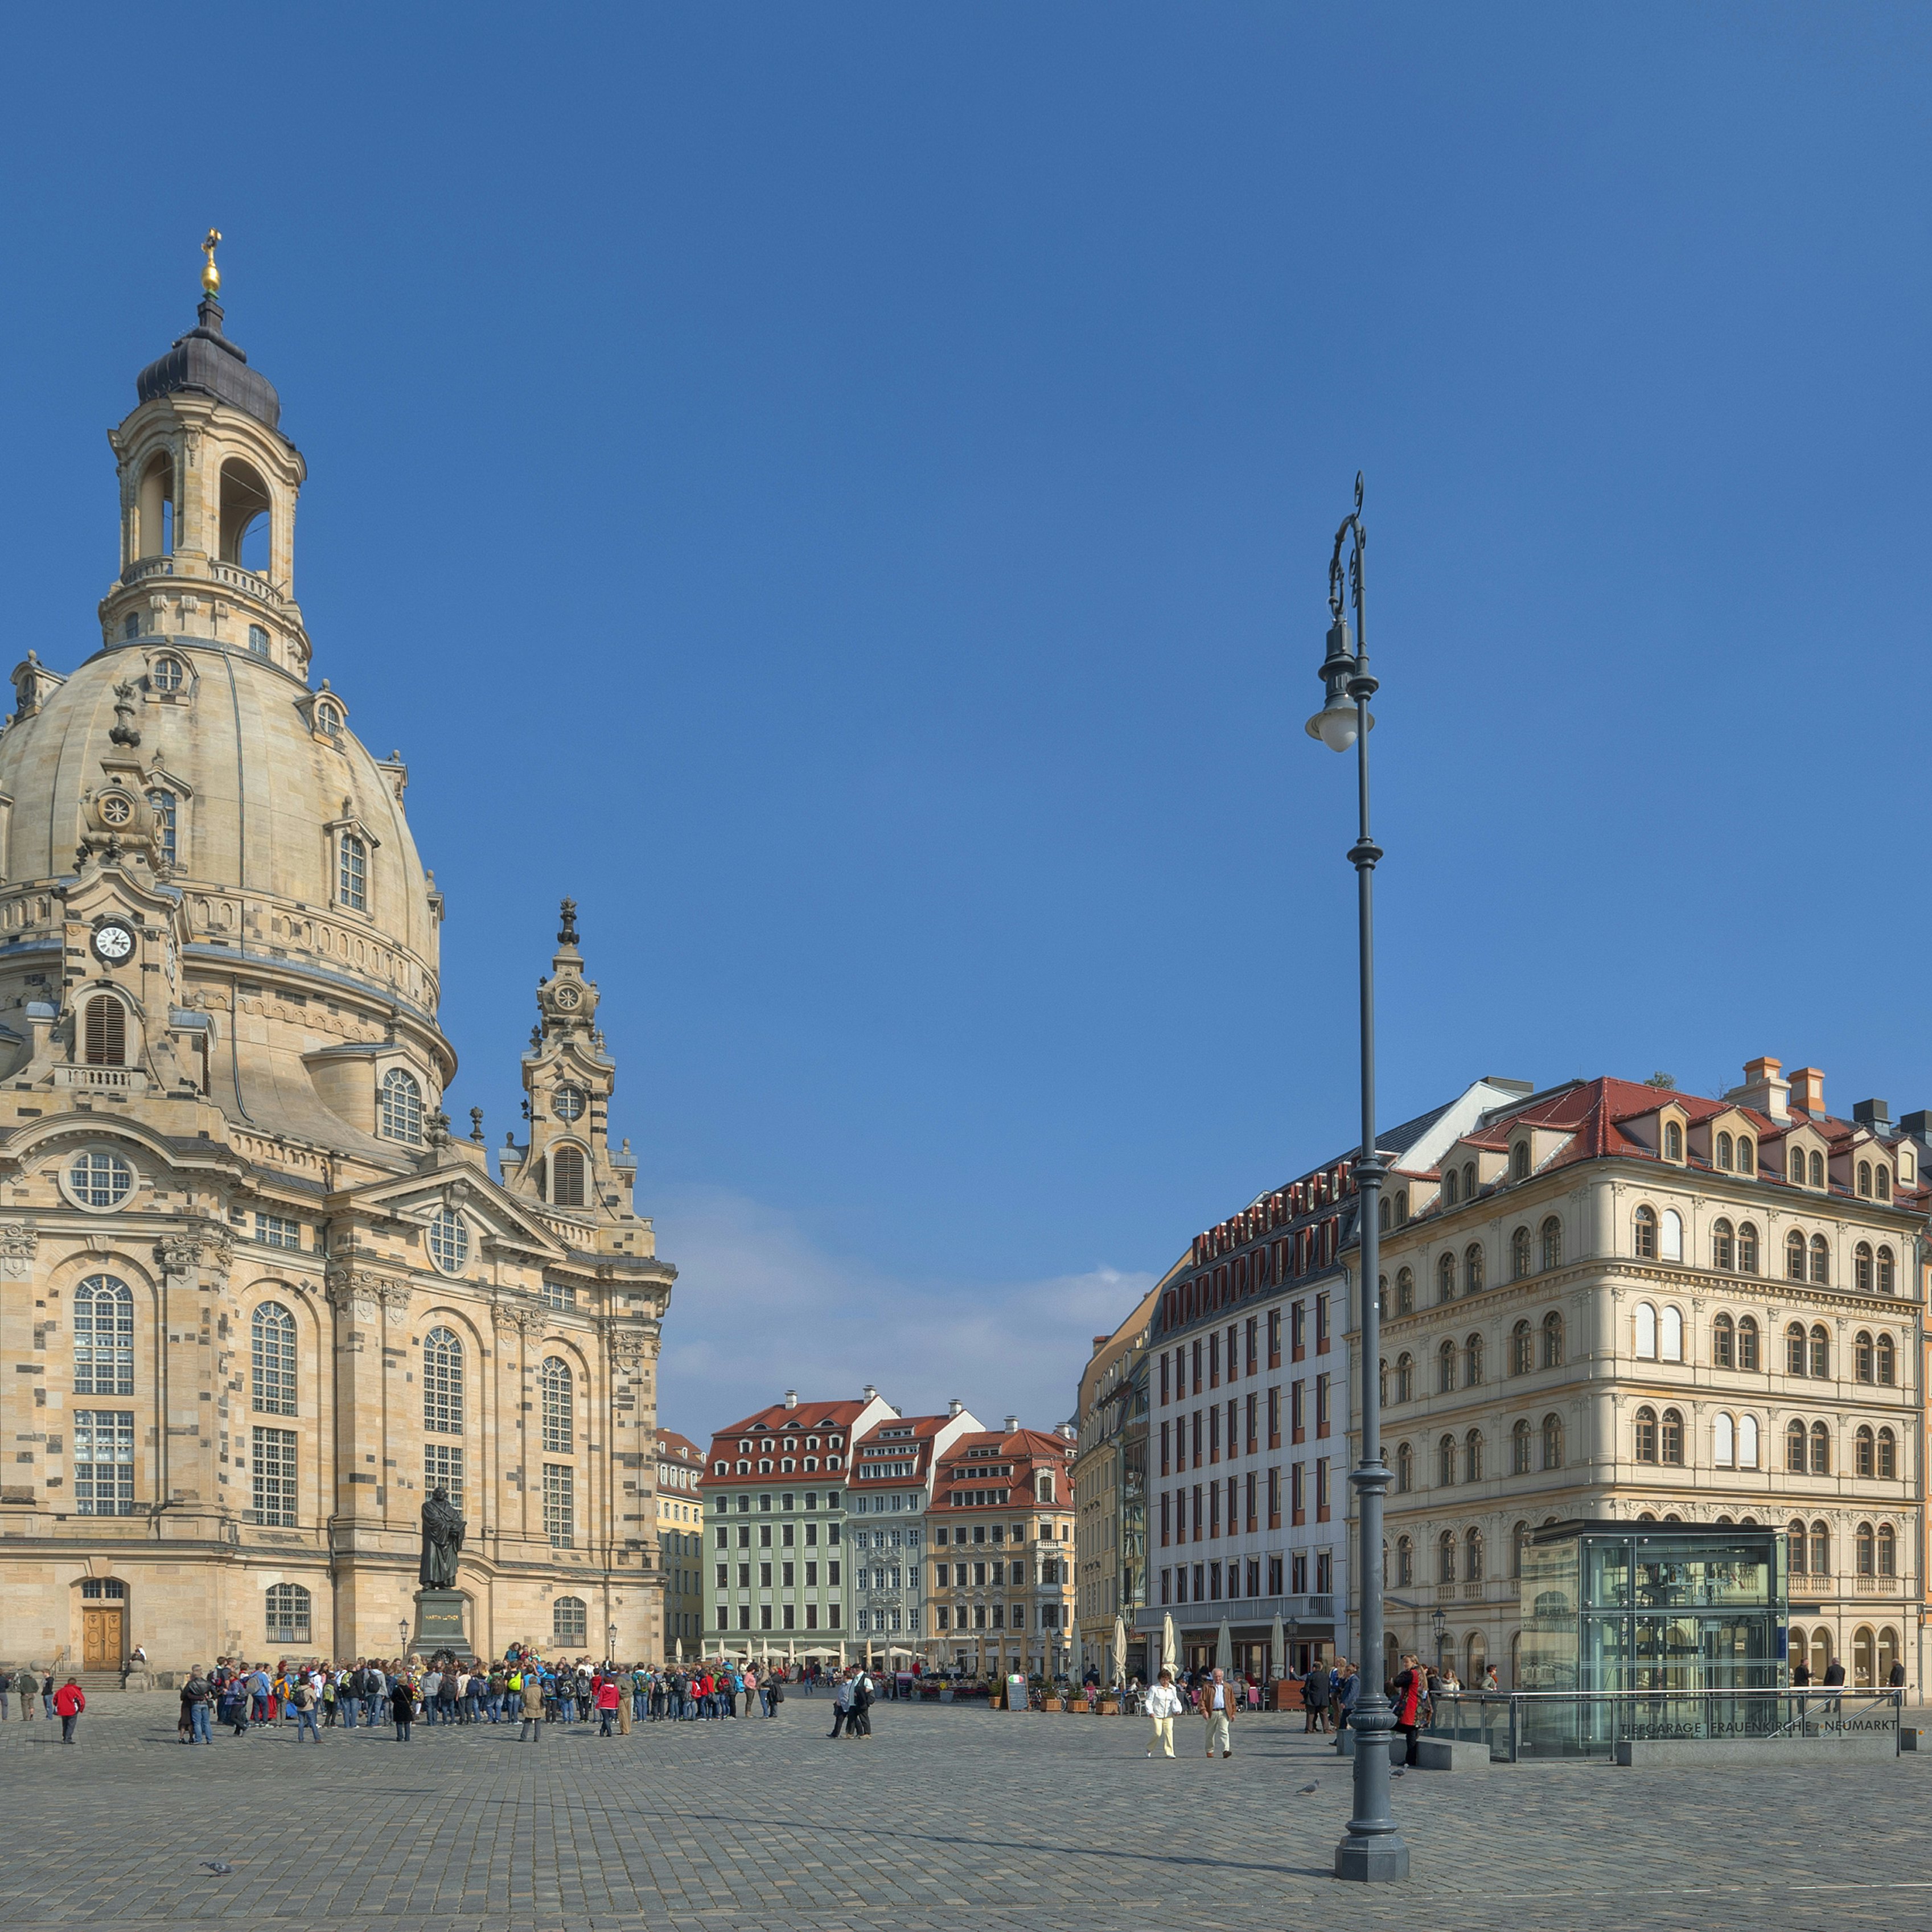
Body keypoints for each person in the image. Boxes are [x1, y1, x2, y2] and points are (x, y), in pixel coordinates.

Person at [1390, 1654, 1424, 1766]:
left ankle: (1410, 1760)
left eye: (1407, 1662)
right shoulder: (1418, 1673)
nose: (1405, 1665)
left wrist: (1402, 1673)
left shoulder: (1411, 1674)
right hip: (1416, 1705)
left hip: (1410, 1705)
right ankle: (1410, 1760)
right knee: (1411, 1734)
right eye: (1404, 1663)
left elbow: (1397, 1682)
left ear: (1413, 1663)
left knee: (1394, 1724)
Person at [1145, 1667, 1182, 1757]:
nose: (1165, 1681)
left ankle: (1170, 1753)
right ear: (1160, 1679)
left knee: (1169, 1732)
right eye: (1163, 1679)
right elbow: (1149, 1701)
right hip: (1157, 1715)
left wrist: (1177, 1710)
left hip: (1169, 1715)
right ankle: (1149, 1748)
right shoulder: (1154, 1689)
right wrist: (1150, 1712)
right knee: (1158, 1733)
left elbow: (1175, 1700)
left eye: (1167, 1679)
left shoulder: (1172, 1689)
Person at [1201, 1666, 1236, 1759]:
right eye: (1216, 1676)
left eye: (1219, 1676)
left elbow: (1232, 1701)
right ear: (1213, 1676)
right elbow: (1202, 1700)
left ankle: (1226, 1750)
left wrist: (1233, 1713)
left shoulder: (1228, 1687)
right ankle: (1210, 1750)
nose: (1218, 1678)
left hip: (1224, 1712)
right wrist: (1204, 1711)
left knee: (1224, 1731)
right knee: (1210, 1733)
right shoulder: (1208, 1686)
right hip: (1212, 1712)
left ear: (1222, 1677)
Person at [54, 1676, 84, 1744]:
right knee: (71, 1724)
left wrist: (58, 1706)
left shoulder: (61, 1690)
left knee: (65, 1724)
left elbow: (55, 1699)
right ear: (75, 1683)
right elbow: (82, 1701)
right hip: (72, 1709)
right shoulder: (75, 1690)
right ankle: (68, 1739)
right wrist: (81, 1709)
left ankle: (65, 1737)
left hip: (62, 1709)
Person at [519, 1668, 545, 1744]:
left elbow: (523, 1699)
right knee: (538, 1723)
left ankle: (523, 1737)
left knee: (527, 1723)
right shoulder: (540, 1689)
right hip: (538, 1707)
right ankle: (537, 1738)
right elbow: (543, 1698)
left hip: (529, 1707)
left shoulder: (527, 1689)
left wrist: (526, 1704)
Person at [292, 1675, 321, 1744]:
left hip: (300, 1708)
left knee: (301, 1723)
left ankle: (301, 1738)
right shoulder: (309, 1689)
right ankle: (317, 1738)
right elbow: (315, 1699)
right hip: (309, 1708)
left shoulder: (298, 1689)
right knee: (313, 1723)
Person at [390, 1674, 416, 1742]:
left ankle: (400, 1736)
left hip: (398, 1707)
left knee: (399, 1723)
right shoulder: (409, 1690)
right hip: (407, 1707)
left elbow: (393, 1698)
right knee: (407, 1722)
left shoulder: (396, 1689)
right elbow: (411, 1699)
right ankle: (407, 1737)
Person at [596, 1673, 621, 1737]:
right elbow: (617, 1697)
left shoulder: (602, 1688)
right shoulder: (615, 1688)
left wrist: (598, 1705)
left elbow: (600, 1697)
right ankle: (604, 1731)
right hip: (612, 1706)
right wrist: (617, 1705)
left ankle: (607, 1731)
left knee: (606, 1719)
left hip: (604, 1705)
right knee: (607, 1719)